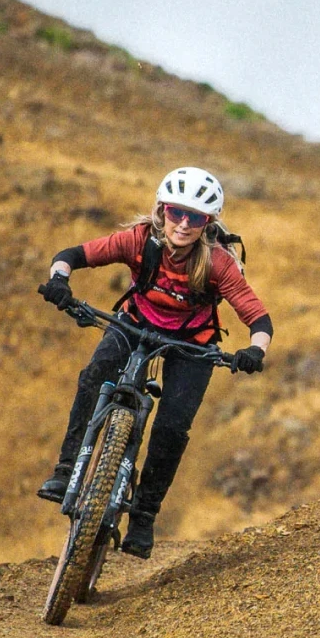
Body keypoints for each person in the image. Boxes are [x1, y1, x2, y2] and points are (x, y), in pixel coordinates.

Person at [33, 167, 272, 560]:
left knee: (172, 427)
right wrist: (60, 281)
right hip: (134, 323)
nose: (183, 223)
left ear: (207, 223)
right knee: (93, 377)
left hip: (191, 344)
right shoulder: (139, 240)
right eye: (176, 212)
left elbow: (259, 319)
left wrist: (255, 351)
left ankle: (143, 517)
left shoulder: (217, 263)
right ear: (162, 210)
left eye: (195, 217)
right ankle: (65, 472)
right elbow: (72, 256)